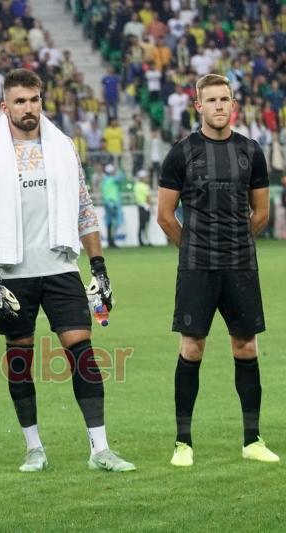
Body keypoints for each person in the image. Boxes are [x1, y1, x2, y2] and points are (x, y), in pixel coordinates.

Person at [0, 69, 135, 473]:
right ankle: (33, 448)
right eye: (20, 101)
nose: (28, 108)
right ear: (5, 106)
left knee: (82, 351)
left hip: (61, 265)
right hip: (12, 273)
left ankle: (100, 449)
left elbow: (83, 206)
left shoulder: (62, 146)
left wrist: (98, 266)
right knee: (20, 358)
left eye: (34, 99)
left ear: (42, 100)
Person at [158, 74, 278, 467]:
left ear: (233, 104)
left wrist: (235, 246)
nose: (220, 106)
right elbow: (165, 215)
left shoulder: (251, 151)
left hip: (240, 265)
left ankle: (252, 439)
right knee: (192, 348)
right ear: (199, 107)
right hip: (197, 267)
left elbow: (261, 213)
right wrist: (194, 249)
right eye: (211, 100)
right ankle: (183, 443)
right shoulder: (182, 152)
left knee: (246, 347)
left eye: (225, 99)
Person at [101, 164, 123, 248]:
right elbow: (121, 177)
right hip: (112, 203)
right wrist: (118, 170)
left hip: (107, 203)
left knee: (109, 223)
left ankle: (110, 241)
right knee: (114, 223)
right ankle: (112, 241)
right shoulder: (112, 180)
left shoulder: (105, 180)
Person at [133, 169, 152, 246]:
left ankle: (140, 240)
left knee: (141, 224)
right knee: (146, 224)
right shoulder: (145, 186)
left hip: (140, 206)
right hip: (145, 206)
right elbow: (148, 198)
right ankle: (146, 240)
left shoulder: (136, 185)